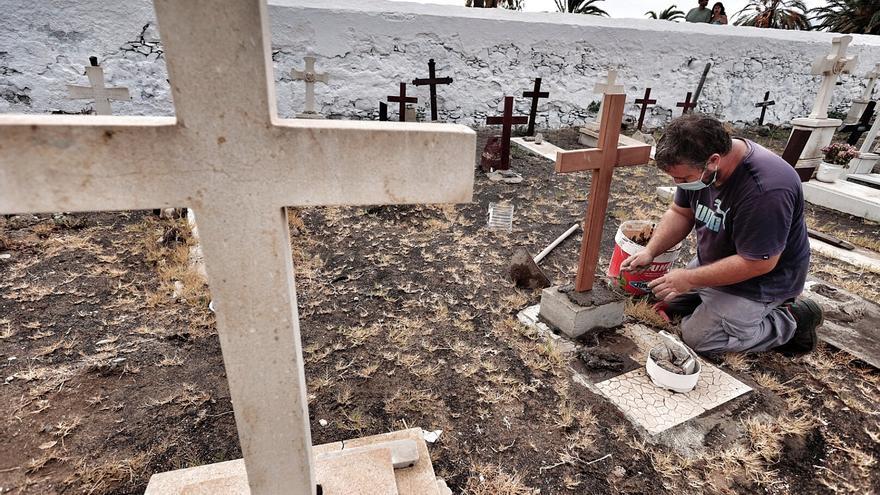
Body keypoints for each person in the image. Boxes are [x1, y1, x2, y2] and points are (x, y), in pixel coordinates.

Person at [619, 114, 822, 355]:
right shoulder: (700, 163)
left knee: (700, 339)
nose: (678, 183)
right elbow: (681, 213)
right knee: (663, 300)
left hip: (760, 281)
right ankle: (712, 301)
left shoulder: (766, 189)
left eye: (683, 178)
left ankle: (793, 318)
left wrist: (691, 279)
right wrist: (650, 251)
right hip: (717, 262)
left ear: (714, 160)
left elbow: (758, 263)